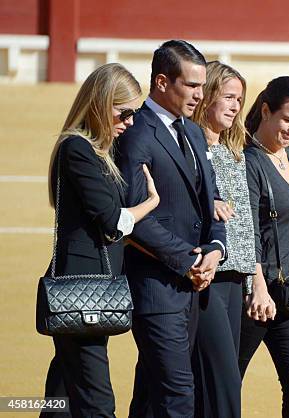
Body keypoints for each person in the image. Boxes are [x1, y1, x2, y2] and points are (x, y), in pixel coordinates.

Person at [40, 62, 159, 418]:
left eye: (135, 113)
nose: (130, 121)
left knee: (62, 397)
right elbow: (111, 223)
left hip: (90, 286)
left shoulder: (98, 151)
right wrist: (150, 204)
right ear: (99, 104)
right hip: (83, 288)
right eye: (124, 112)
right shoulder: (78, 149)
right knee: (97, 404)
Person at [116, 40, 226, 418]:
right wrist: (189, 260)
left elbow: (210, 199)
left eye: (202, 85)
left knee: (151, 395)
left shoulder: (194, 133)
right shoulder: (136, 132)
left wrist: (215, 248)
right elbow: (134, 216)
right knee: (179, 396)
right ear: (162, 83)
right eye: (192, 85)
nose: (201, 94)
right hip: (156, 288)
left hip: (191, 285)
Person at [238, 76, 289, 418]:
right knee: (227, 381)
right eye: (288, 119)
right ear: (266, 111)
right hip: (253, 297)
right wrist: (256, 288)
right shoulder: (248, 160)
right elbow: (248, 230)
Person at [190, 61, 256, 418]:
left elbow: (248, 222)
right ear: (207, 96)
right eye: (228, 97)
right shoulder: (191, 146)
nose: (234, 106)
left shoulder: (236, 151)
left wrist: (252, 281)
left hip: (236, 277)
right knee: (223, 379)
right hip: (207, 275)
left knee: (209, 380)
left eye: (239, 100)